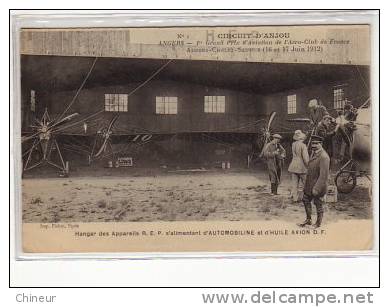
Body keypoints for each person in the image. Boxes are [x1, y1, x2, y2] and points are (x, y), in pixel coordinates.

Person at [298, 135, 330, 228]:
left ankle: (318, 223)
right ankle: (308, 220)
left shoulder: (324, 157)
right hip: (310, 184)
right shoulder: (314, 153)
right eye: (313, 143)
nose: (314, 145)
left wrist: (316, 189)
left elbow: (323, 176)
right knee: (305, 200)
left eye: (316, 144)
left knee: (318, 204)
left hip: (318, 186)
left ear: (321, 144)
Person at [288, 130, 309, 202]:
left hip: (293, 165)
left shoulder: (293, 144)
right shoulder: (303, 146)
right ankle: (304, 197)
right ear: (301, 138)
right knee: (305, 182)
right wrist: (308, 166)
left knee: (294, 183)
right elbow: (305, 158)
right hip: (301, 166)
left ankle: (295, 198)